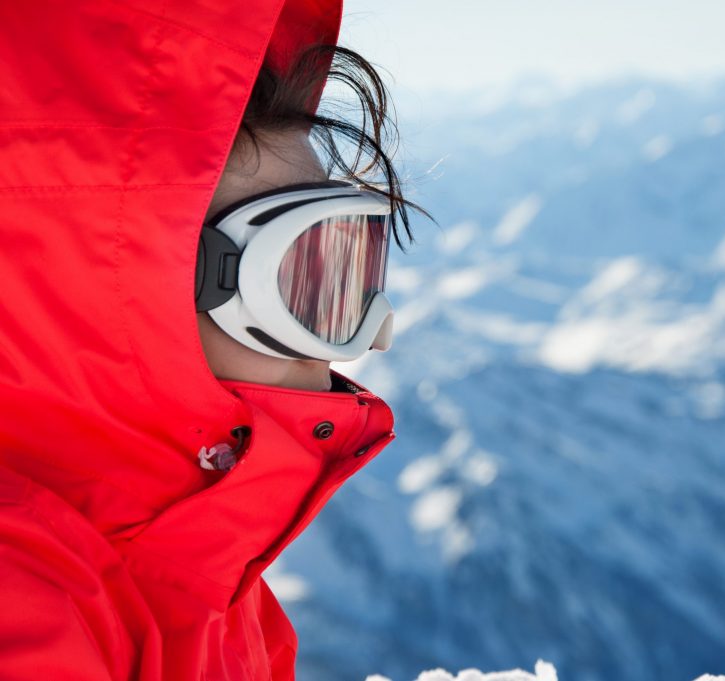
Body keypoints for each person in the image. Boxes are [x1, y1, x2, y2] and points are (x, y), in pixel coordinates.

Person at [0, 1, 416, 678]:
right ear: (137, 290)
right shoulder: (22, 613)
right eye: (303, 283)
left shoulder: (212, 600)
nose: (361, 341)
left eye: (346, 274)